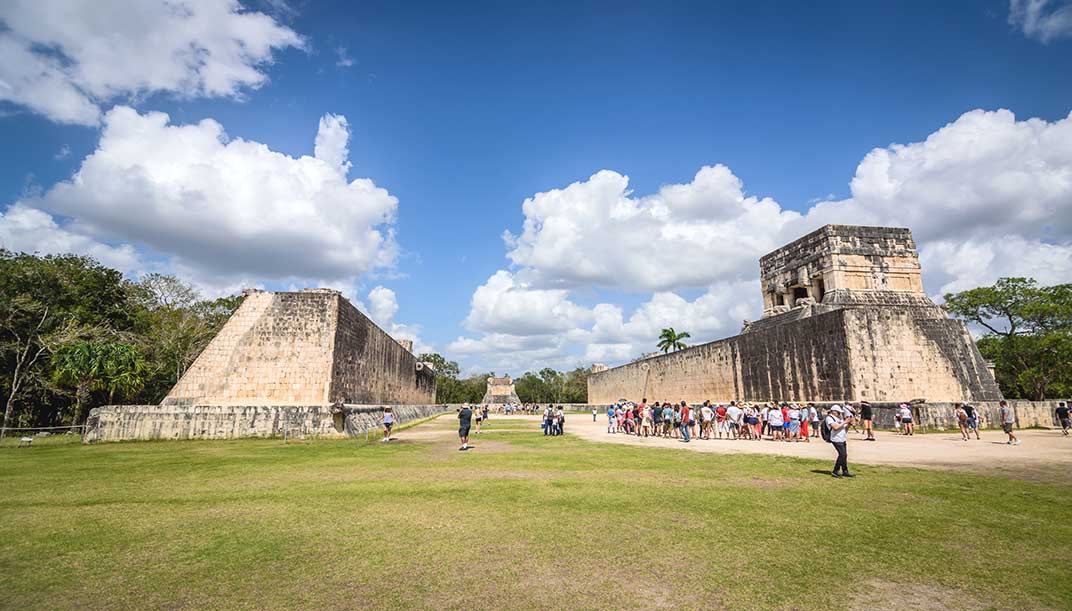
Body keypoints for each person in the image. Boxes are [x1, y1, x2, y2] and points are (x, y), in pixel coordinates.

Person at [825, 405, 854, 478]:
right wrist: (845, 422)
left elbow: (844, 429)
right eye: (838, 412)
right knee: (842, 455)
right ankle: (835, 471)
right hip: (836, 439)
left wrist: (849, 424)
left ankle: (845, 471)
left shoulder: (839, 418)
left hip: (842, 438)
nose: (839, 413)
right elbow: (835, 427)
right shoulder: (829, 418)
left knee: (844, 455)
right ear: (833, 411)